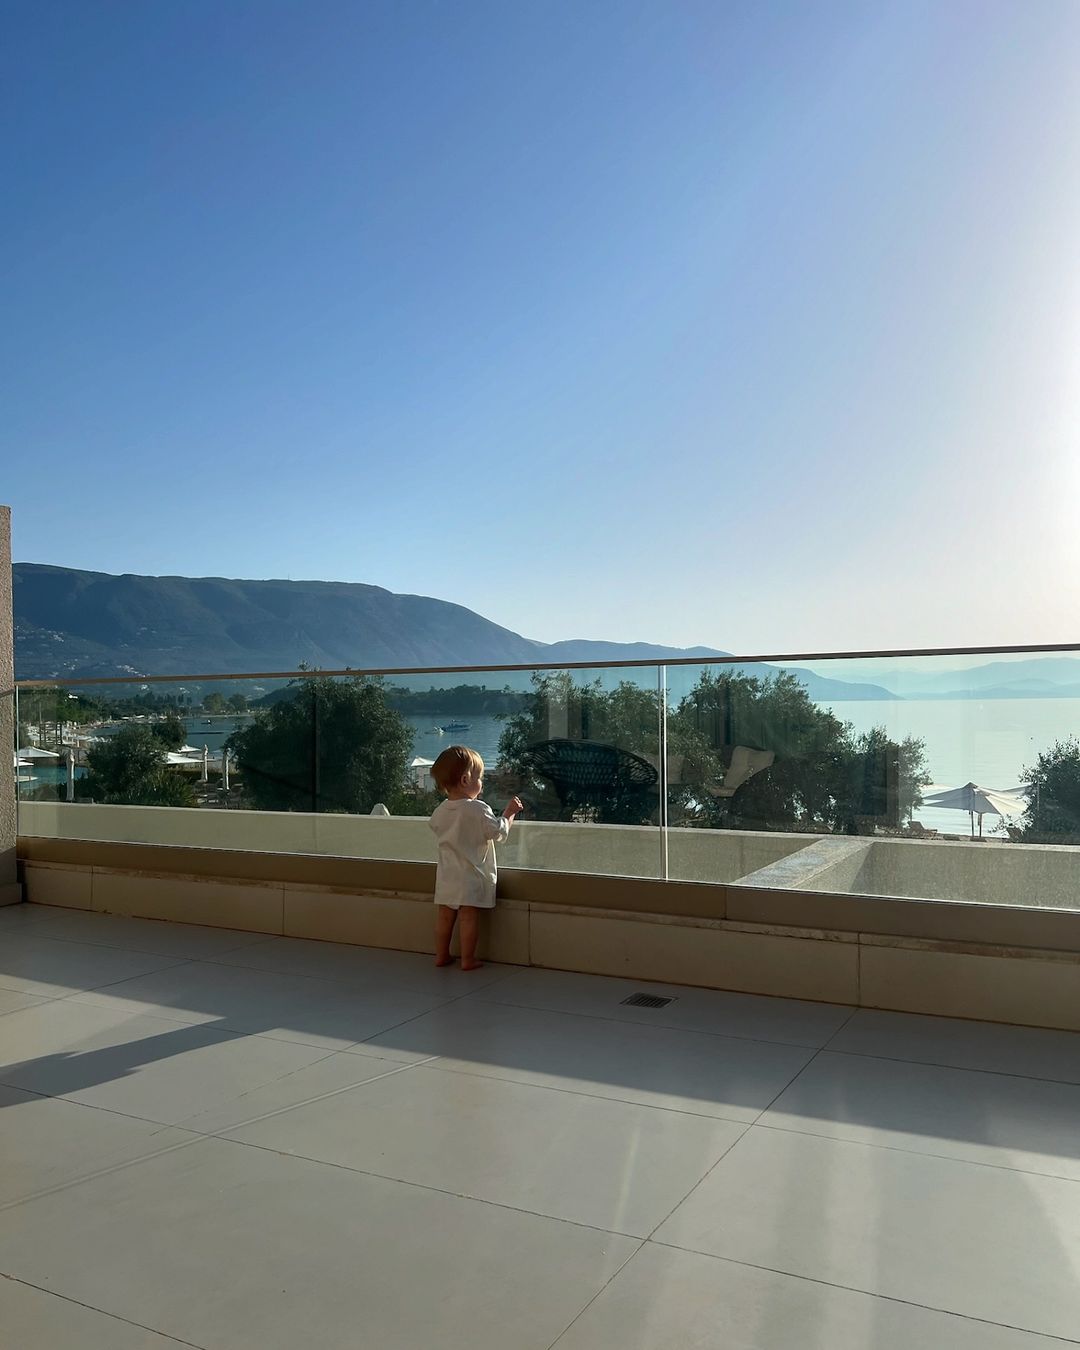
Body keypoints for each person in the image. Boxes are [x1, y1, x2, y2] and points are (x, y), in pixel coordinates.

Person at [428, 745, 522, 970]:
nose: (481, 784)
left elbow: (436, 828)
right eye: (479, 778)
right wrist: (509, 813)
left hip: (447, 875)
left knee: (445, 916)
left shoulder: (440, 811)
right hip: (471, 876)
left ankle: (442, 955)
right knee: (469, 917)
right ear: (465, 780)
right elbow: (499, 833)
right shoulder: (478, 809)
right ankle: (468, 959)